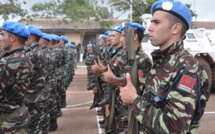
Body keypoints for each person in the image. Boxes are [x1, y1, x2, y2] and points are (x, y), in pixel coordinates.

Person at [119, 0, 210, 133]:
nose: (149, 28)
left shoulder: (187, 68)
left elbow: (174, 128)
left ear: (175, 28)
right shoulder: (161, 61)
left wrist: (134, 99)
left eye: (156, 22)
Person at [0, 21, 32, 133]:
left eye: (2, 35)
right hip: (17, 115)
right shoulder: (24, 56)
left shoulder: (9, 61)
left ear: (12, 38)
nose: (0, 38)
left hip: (8, 122)